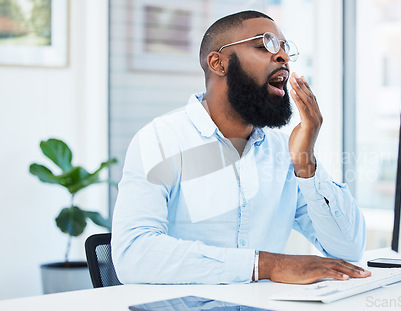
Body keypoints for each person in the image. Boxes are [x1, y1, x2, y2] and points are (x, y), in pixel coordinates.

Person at [111, 10, 370, 285]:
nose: (282, 56)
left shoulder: (285, 153)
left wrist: (306, 165)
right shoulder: (160, 140)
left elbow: (348, 249)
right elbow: (133, 255)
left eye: (284, 47)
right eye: (264, 45)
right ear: (218, 63)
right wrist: (267, 265)